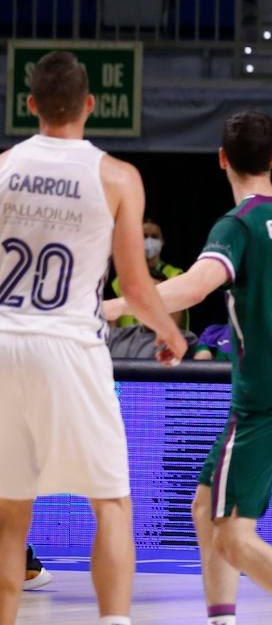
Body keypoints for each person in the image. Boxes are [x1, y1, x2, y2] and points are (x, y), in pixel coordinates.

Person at [102, 111, 272, 625]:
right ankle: (221, 619)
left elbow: (195, 286)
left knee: (231, 532)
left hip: (266, 398)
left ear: (222, 159)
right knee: (205, 511)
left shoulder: (238, 225)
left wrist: (119, 305)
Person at [0, 51, 186, 625]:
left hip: (4, 339)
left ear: (29, 105)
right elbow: (135, 283)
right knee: (111, 504)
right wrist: (169, 332)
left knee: (10, 516)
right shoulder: (116, 176)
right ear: (90, 105)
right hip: (69, 347)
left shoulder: (3, 167)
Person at [112, 216, 189, 329]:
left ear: (162, 241)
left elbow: (175, 322)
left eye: (154, 237)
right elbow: (113, 320)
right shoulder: (120, 280)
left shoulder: (175, 275)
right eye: (144, 236)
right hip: (127, 344)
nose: (149, 241)